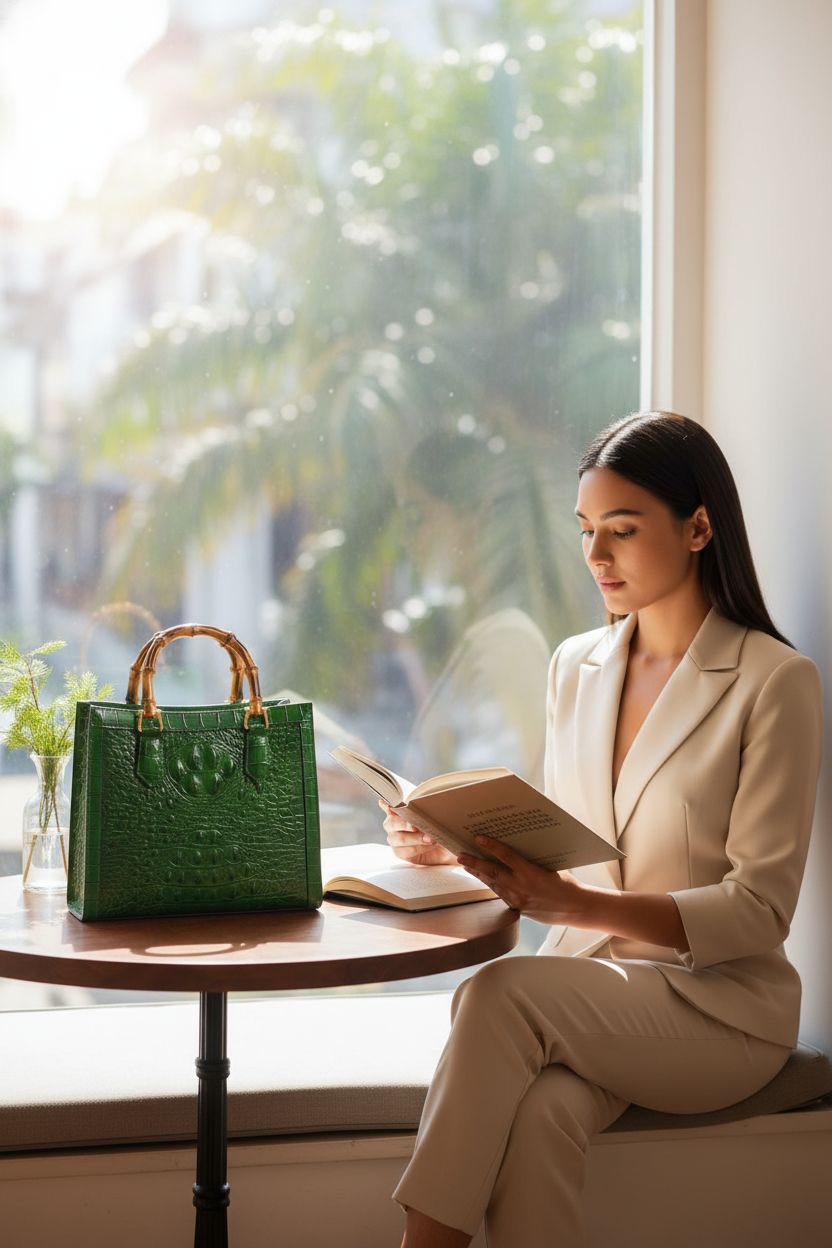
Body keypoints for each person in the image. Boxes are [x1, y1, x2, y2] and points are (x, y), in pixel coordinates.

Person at [382, 411, 823, 1248]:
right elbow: (572, 838)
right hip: (600, 994)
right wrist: (453, 840)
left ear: (699, 527)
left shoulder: (775, 680)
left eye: (622, 530)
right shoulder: (575, 665)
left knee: (498, 993)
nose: (596, 556)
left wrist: (580, 910)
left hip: (722, 1013)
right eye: (587, 530)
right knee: (544, 1114)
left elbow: (760, 910)